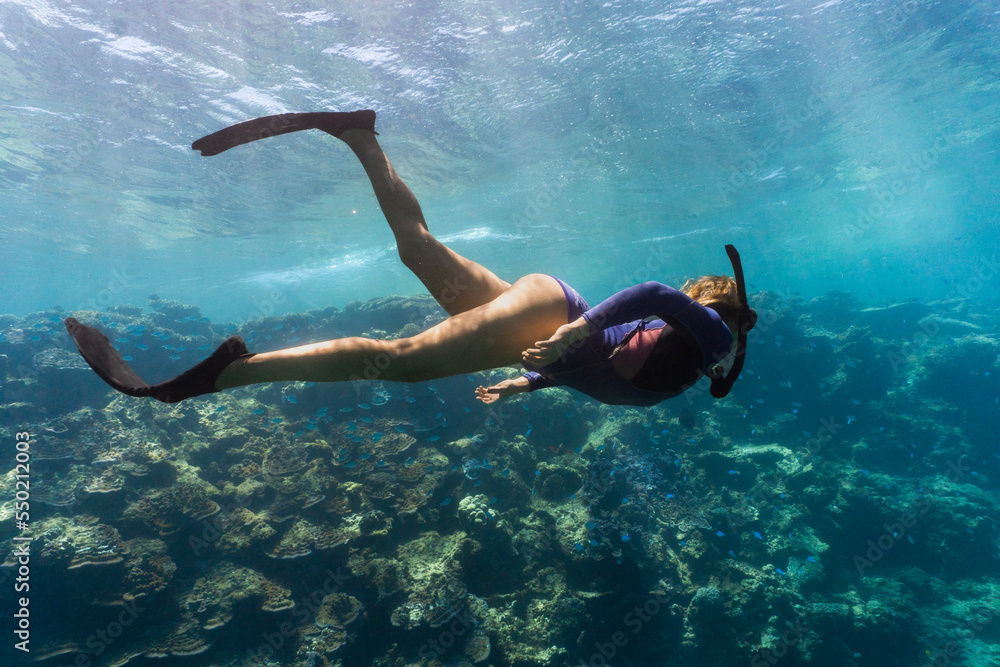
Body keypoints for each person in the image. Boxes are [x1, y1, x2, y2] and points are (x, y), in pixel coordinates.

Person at [65, 110, 756, 406]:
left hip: (543, 312)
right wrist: (575, 332)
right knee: (402, 364)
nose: (640, 347)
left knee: (416, 250)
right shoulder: (712, 333)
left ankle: (358, 133)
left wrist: (531, 385)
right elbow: (655, 291)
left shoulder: (671, 375)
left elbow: (596, 374)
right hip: (554, 312)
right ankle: (224, 377)